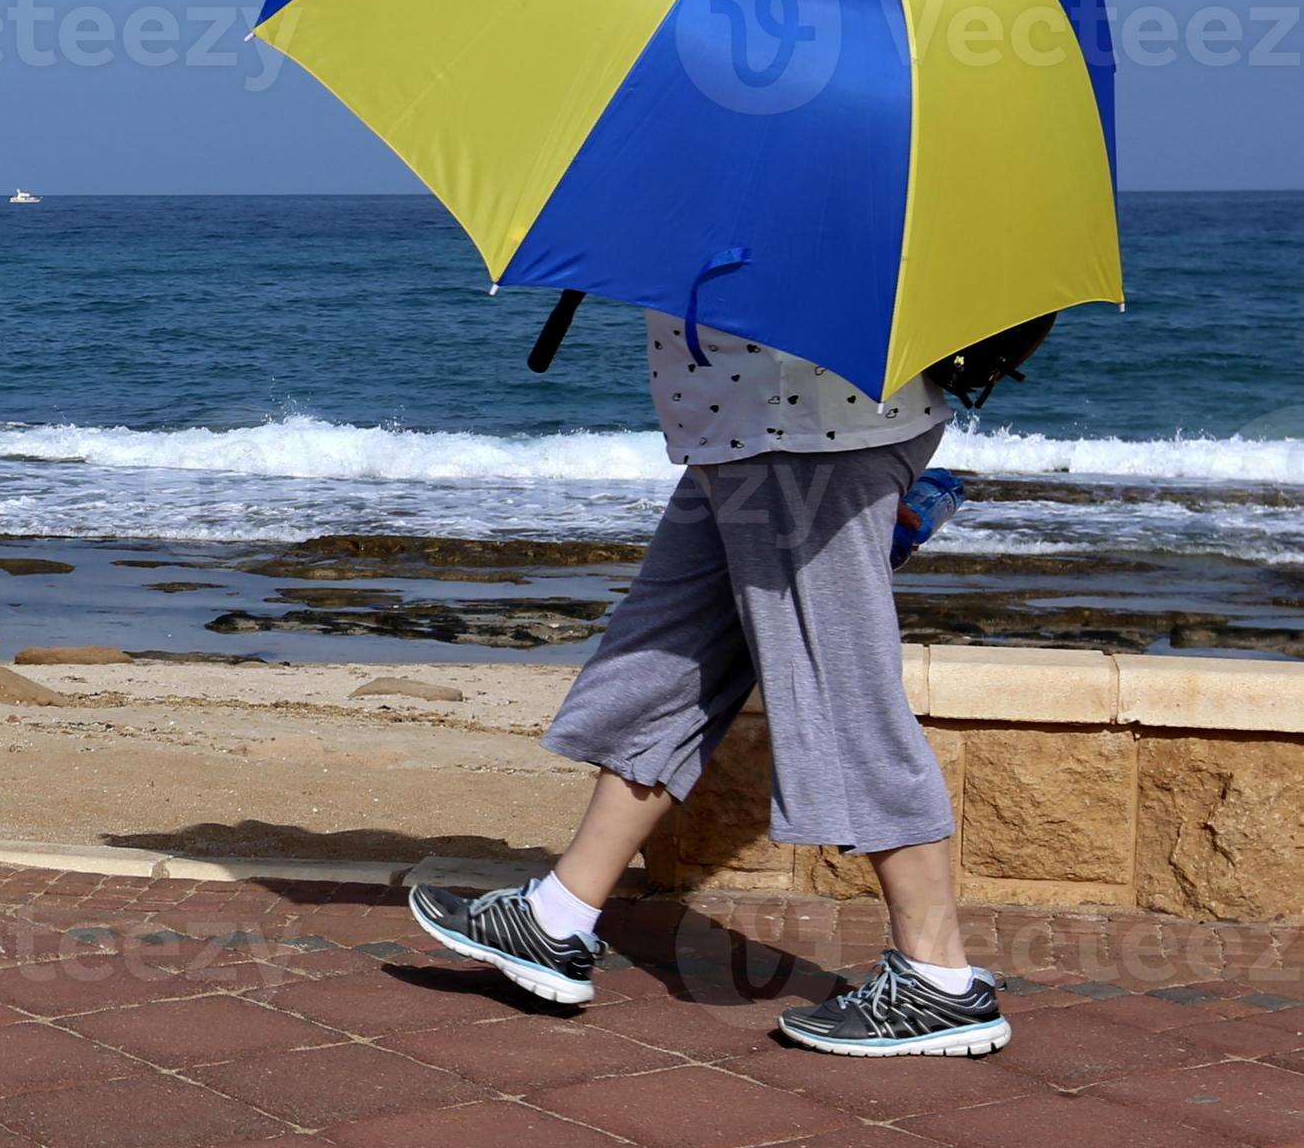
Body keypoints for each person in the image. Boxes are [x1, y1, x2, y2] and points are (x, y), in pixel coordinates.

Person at [407, 311, 1010, 1057]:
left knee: (841, 696)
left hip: (807, 432)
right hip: (746, 427)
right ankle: (556, 916)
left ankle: (938, 980)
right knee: (666, 662)